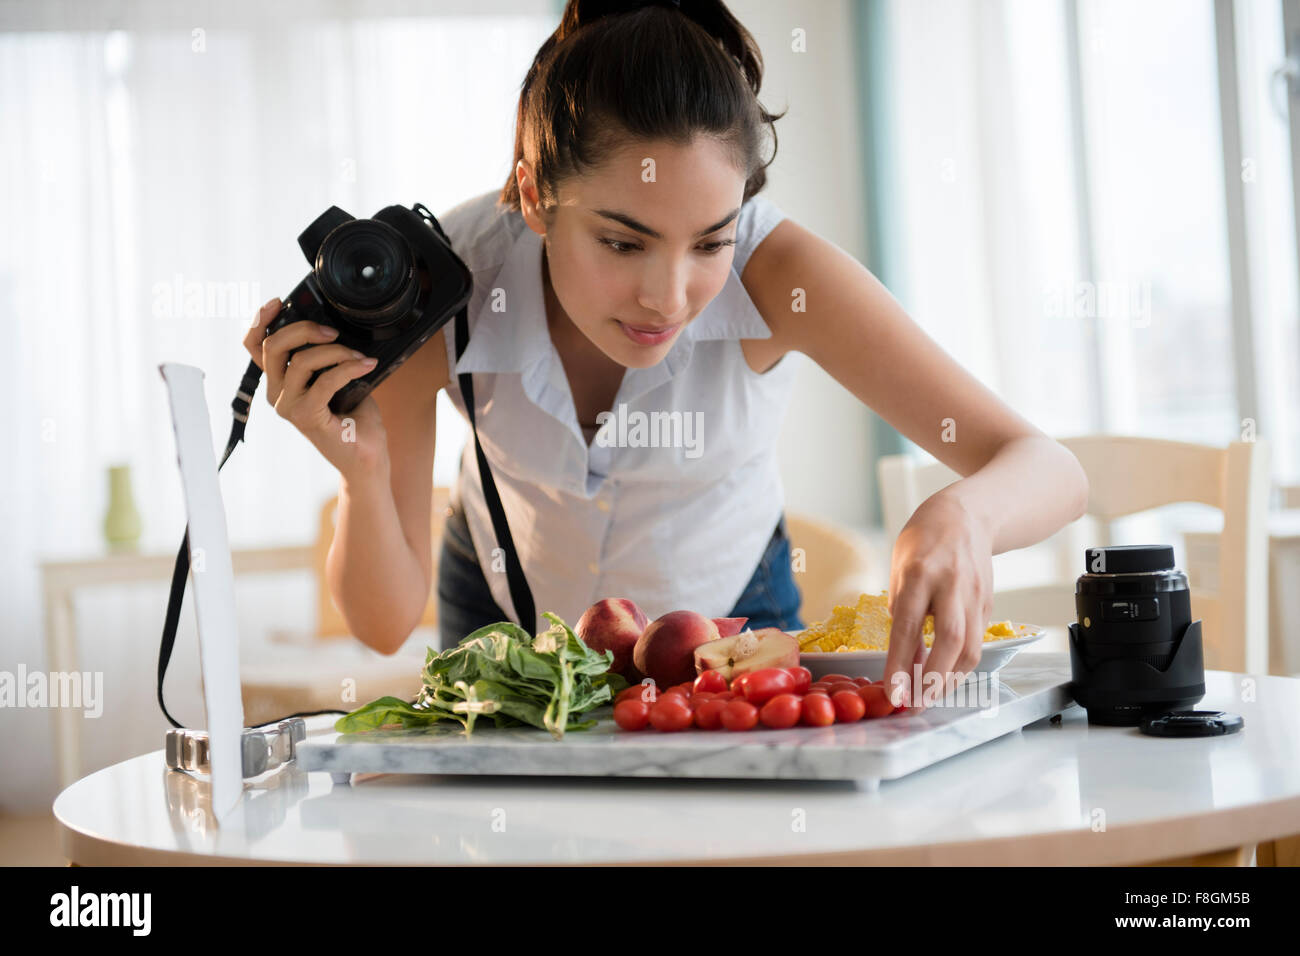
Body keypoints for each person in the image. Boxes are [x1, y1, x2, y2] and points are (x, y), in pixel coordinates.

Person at [242, 0, 1089, 707]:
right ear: (536, 195)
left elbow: (1049, 467)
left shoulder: (780, 274)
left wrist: (963, 513)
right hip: (509, 614)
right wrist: (359, 473)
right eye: (621, 243)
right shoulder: (448, 282)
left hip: (733, 615)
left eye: (710, 241)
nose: (669, 295)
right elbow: (383, 624)